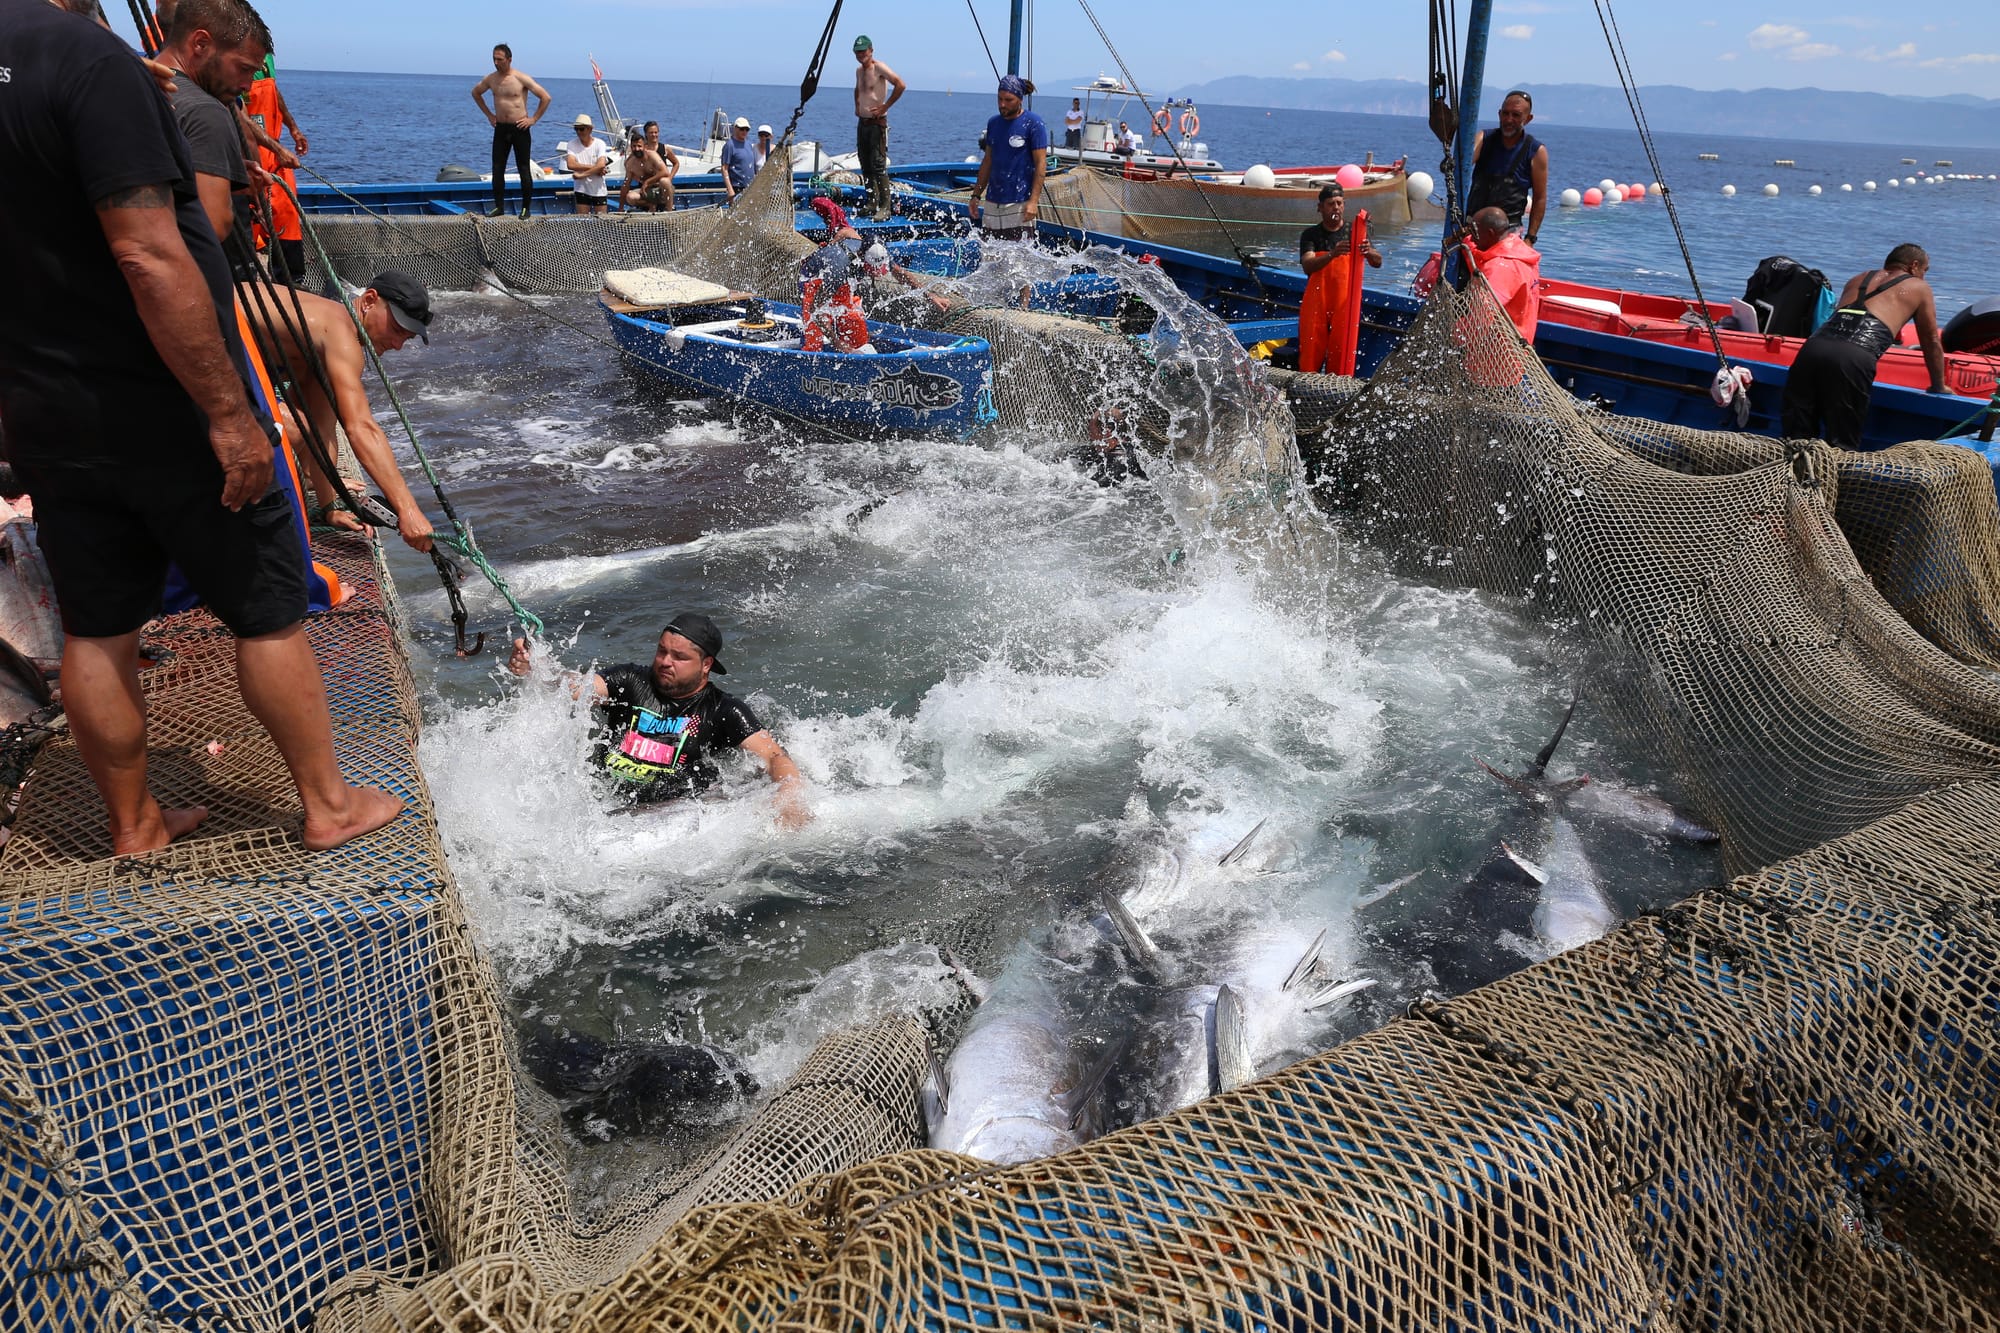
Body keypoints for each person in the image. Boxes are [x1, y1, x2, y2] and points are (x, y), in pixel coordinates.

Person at [0, 0, 404, 854]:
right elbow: (150, 253)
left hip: (44, 407)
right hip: (164, 402)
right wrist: (228, 414)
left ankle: (135, 824)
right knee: (267, 609)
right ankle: (328, 806)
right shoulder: (88, 64)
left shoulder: (85, 71)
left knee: (97, 625)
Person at [507, 613, 809, 829]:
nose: (665, 661)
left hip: (670, 817)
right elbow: (577, 688)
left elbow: (773, 756)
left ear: (706, 665)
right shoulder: (631, 679)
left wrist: (789, 797)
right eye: (662, 651)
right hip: (603, 806)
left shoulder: (723, 710)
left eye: (679, 656)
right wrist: (539, 670)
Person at [243, 272, 440, 552]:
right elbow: (361, 428)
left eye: (405, 339)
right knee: (290, 428)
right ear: (369, 300)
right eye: (396, 330)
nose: (397, 345)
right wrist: (408, 510)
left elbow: (321, 427)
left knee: (302, 423)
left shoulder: (325, 337)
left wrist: (329, 508)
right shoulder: (340, 334)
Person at [1781, 244, 1947, 449]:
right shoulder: (1919, 287)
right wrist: (1938, 384)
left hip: (1813, 349)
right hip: (1853, 356)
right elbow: (1930, 340)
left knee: (1796, 439)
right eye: (1925, 270)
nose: (1924, 276)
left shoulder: (1858, 278)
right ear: (1914, 266)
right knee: (1842, 444)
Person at [157, 0, 271, 244]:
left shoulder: (131, 84)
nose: (247, 85)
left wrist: (221, 176)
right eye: (243, 68)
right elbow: (212, 228)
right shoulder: (206, 112)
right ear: (200, 43)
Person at [1296, 182, 1382, 374]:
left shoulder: (1355, 232)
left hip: (1345, 303)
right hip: (1318, 301)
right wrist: (1332, 255)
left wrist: (1368, 252)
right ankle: (1306, 389)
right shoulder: (1311, 235)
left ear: (1344, 205)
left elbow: (1378, 262)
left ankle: (1337, 392)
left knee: (1342, 352)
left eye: (1339, 203)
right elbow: (1308, 266)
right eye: (1330, 204)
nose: (1336, 207)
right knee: (1310, 352)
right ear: (1320, 208)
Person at [243, 53, 307, 282]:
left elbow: (274, 91)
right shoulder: (230, 55)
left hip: (273, 147)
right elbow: (238, 116)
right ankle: (246, 278)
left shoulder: (264, 54)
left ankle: (291, 280)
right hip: (247, 149)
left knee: (287, 213)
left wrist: (292, 126)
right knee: (250, 213)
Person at [471, 43, 549, 219]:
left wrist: (533, 119)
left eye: (499, 59)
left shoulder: (521, 78)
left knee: (523, 168)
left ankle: (525, 208)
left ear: (509, 59)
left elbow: (545, 97)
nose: (496, 63)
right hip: (500, 128)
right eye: (494, 59)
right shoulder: (491, 79)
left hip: (519, 128)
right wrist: (489, 115)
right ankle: (499, 206)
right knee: (498, 168)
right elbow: (476, 93)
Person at [1466, 90, 1548, 247]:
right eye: (1505, 113)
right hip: (1473, 229)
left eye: (1516, 115)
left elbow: (1540, 198)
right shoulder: (1484, 139)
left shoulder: (1536, 152)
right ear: (1499, 114)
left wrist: (1530, 238)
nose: (1509, 119)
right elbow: (1461, 164)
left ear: (1528, 118)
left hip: (1508, 234)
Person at [970, 76, 1048, 241]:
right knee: (990, 259)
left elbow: (1041, 163)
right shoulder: (993, 123)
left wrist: (1033, 201)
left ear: (1020, 99)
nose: (1002, 104)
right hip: (993, 203)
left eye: (1008, 100)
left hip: (1020, 203)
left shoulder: (1034, 123)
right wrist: (976, 195)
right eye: (999, 99)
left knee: (1019, 261)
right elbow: (988, 160)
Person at [1465, 206, 1542, 343]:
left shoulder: (1501, 268)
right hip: (1522, 346)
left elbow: (1480, 319)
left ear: (1490, 233)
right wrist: (1466, 242)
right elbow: (1482, 259)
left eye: (1474, 231)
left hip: (1498, 354)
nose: (1472, 237)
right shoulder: (1520, 250)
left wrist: (1451, 334)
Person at [852, 35, 905, 222]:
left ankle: (885, 207)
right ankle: (871, 202)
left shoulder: (879, 67)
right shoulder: (859, 71)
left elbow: (900, 84)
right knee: (865, 164)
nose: (861, 55)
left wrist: (885, 106)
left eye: (863, 51)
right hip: (863, 123)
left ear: (871, 50)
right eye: (857, 52)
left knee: (878, 165)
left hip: (877, 123)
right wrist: (857, 106)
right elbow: (858, 89)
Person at [564, 113, 610, 215]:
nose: (579, 132)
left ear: (590, 129)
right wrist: (596, 168)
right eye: (576, 129)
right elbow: (571, 164)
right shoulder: (572, 144)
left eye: (582, 129)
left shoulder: (600, 144)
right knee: (582, 220)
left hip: (598, 190)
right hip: (581, 189)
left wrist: (581, 175)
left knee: (602, 221)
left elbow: (601, 164)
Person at [621, 132, 673, 213]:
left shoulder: (652, 156)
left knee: (665, 181)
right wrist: (620, 208)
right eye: (634, 146)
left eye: (639, 146)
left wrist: (647, 182)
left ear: (645, 147)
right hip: (645, 192)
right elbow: (626, 185)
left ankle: (670, 211)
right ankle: (650, 205)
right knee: (630, 197)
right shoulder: (629, 163)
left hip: (660, 190)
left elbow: (665, 172)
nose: (637, 149)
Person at [719, 116, 758, 203]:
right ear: (735, 128)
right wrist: (730, 190)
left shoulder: (748, 144)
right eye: (742, 129)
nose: (744, 132)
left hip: (750, 187)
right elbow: (724, 168)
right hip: (736, 187)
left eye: (746, 129)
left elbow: (752, 167)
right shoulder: (730, 145)